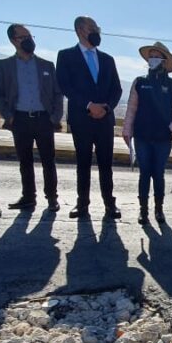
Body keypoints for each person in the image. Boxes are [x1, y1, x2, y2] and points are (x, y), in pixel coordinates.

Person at [56, 16, 123, 220]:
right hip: (81, 119)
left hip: (104, 120)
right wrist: (88, 105)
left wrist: (106, 107)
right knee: (83, 163)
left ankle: (109, 204)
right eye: (91, 27)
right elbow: (65, 86)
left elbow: (117, 89)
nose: (96, 31)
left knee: (106, 164)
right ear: (79, 30)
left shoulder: (107, 59)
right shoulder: (66, 56)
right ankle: (82, 204)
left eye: (97, 27)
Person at [0, 23, 64, 213]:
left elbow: (57, 93)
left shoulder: (46, 65)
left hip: (43, 119)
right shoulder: (5, 65)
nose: (28, 40)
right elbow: (0, 94)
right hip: (20, 119)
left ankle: (52, 197)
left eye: (30, 36)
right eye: (23, 37)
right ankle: (28, 197)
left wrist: (55, 117)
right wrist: (8, 117)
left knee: (48, 160)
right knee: (25, 161)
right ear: (13, 40)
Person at [121, 42, 172, 225]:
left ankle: (159, 209)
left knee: (158, 173)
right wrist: (127, 131)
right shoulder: (139, 82)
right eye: (151, 56)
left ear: (164, 61)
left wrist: (170, 129)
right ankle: (143, 210)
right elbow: (131, 109)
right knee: (144, 173)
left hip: (163, 139)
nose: (152, 59)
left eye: (157, 56)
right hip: (142, 136)